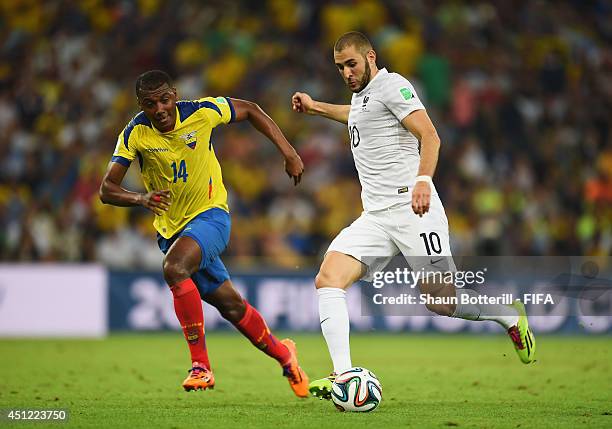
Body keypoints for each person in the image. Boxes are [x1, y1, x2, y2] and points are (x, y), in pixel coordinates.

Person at [291, 32, 536, 399]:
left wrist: (423, 180)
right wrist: (316, 108)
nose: (346, 73)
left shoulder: (392, 86)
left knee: (441, 301)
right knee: (328, 279)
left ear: (370, 56)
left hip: (413, 209)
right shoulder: (362, 98)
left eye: (352, 64)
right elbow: (356, 115)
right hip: (375, 216)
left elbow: (430, 135)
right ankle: (343, 376)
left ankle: (509, 316)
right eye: (340, 67)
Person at [99, 70, 309, 397]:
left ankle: (201, 366)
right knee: (231, 306)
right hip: (173, 230)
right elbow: (106, 189)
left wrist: (289, 152)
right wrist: (140, 198)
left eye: (165, 100)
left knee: (174, 267)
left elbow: (252, 109)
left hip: (211, 216)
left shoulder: (201, 112)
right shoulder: (135, 133)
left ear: (175, 95)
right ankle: (286, 356)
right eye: (150, 103)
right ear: (141, 104)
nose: (160, 109)